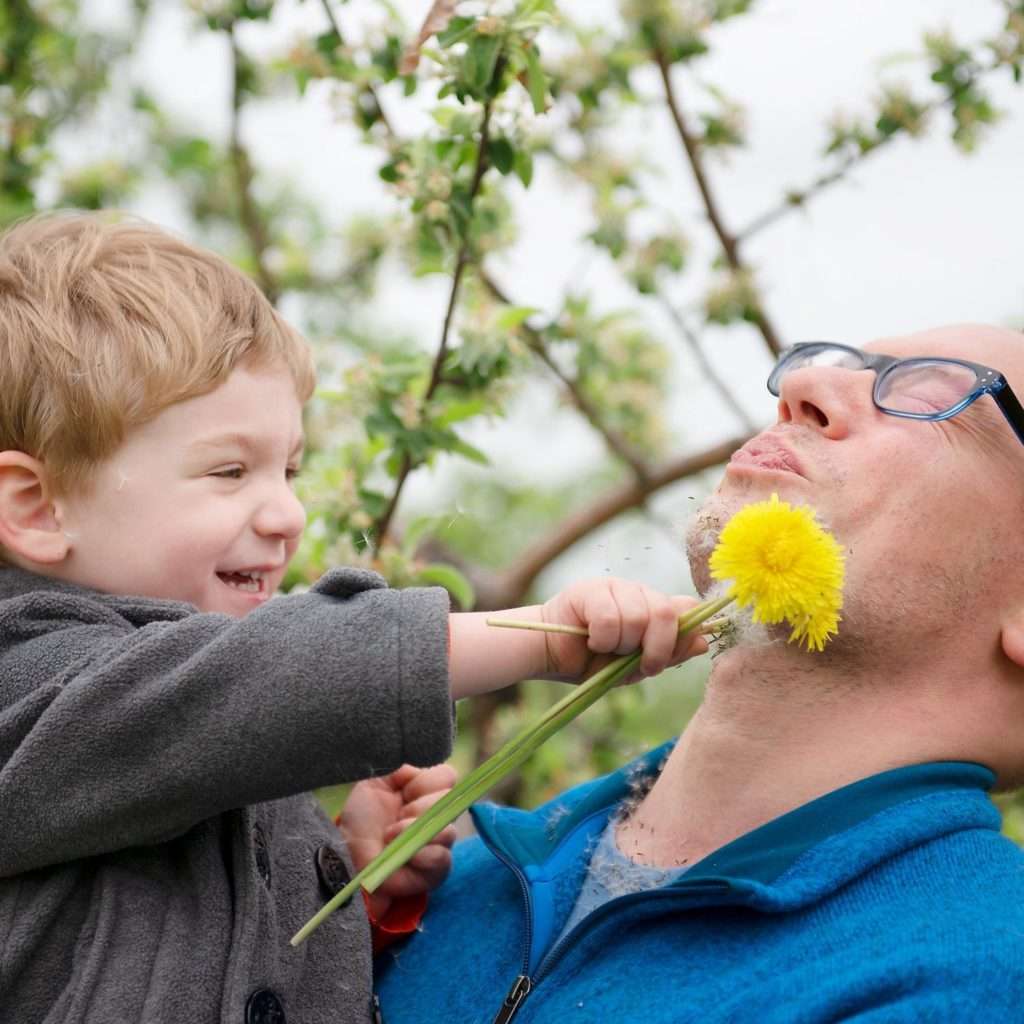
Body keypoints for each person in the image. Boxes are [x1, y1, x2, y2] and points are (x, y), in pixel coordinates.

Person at [0, 211, 706, 1024]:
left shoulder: (233, 766)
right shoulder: (27, 681)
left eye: (290, 469)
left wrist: (346, 879)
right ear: (38, 507)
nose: (287, 515)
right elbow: (250, 681)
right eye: (230, 471)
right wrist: (536, 637)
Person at [375, 324, 1024, 1023]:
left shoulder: (971, 975)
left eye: (929, 392)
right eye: (824, 364)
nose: (801, 390)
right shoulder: (434, 888)